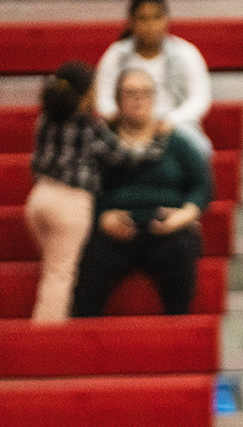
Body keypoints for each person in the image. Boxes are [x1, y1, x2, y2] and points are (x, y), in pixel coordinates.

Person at [71, 68, 211, 317]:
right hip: (115, 232)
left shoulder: (176, 142)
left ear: (155, 99)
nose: (138, 99)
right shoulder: (100, 143)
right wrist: (102, 218)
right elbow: (85, 190)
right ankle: (84, 342)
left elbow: (202, 185)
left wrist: (184, 216)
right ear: (117, 100)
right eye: (130, 93)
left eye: (145, 93)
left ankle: (177, 336)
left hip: (167, 230)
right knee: (90, 264)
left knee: (181, 250)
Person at [26, 61, 103, 324]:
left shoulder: (45, 119)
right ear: (86, 95)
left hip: (39, 197)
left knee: (54, 268)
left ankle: (64, 320)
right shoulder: (88, 126)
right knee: (59, 275)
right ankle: (46, 338)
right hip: (70, 202)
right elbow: (119, 153)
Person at [95, 0, 215, 158]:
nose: (150, 25)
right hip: (126, 125)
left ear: (166, 19)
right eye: (143, 18)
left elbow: (200, 99)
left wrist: (171, 120)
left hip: (175, 125)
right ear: (131, 21)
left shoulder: (186, 53)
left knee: (199, 147)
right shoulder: (116, 54)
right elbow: (103, 99)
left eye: (156, 17)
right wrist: (124, 120)